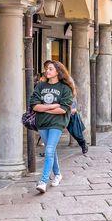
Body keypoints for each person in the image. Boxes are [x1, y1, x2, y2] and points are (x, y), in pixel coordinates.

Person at [30, 60, 75, 193]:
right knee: (52, 149)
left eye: (50, 69)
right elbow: (34, 105)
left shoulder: (65, 88)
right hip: (42, 123)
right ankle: (58, 174)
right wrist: (52, 106)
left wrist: (43, 108)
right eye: (46, 69)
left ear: (58, 71)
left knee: (49, 150)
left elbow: (63, 109)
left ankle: (43, 181)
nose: (47, 71)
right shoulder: (40, 86)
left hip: (57, 123)